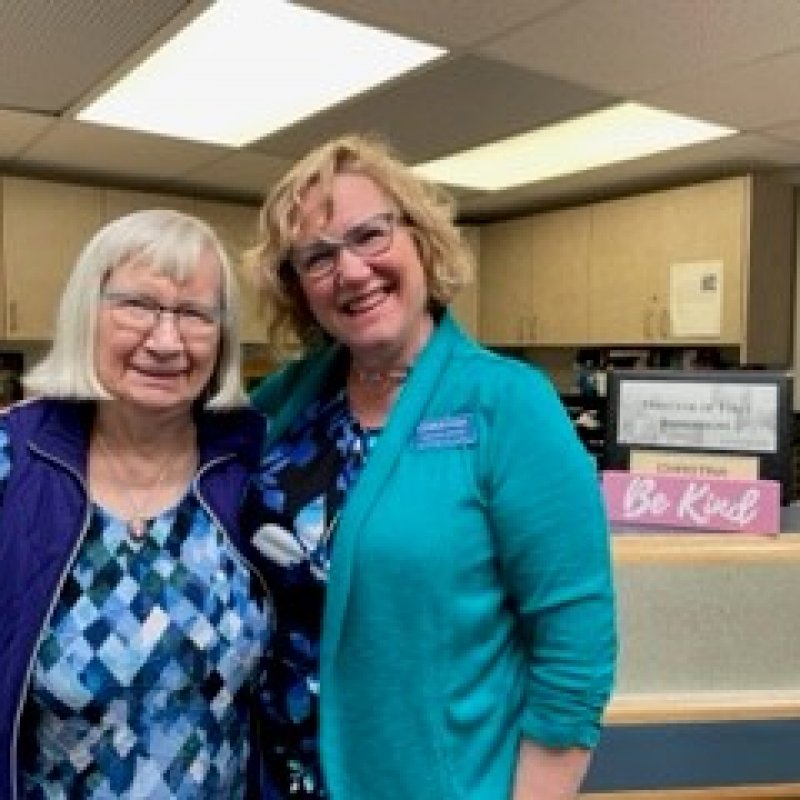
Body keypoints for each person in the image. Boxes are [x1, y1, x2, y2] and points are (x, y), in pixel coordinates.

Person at [243, 133, 617, 799]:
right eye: (318, 258)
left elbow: (574, 653)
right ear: (299, 289)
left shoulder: (506, 403)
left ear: (421, 239)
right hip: (274, 777)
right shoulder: (287, 400)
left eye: (371, 235)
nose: (352, 271)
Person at [0, 209, 274, 799]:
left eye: (196, 314)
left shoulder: (254, 468)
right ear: (86, 315)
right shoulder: (14, 464)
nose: (167, 340)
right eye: (139, 306)